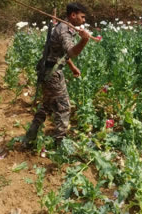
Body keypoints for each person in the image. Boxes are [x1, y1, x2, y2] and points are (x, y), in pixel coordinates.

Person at [23, 2, 91, 148]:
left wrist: (72, 67)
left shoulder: (63, 27)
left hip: (46, 70)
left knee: (46, 106)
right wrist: (84, 40)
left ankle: (29, 139)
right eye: (82, 17)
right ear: (73, 15)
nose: (84, 20)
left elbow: (61, 54)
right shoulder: (64, 30)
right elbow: (71, 52)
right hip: (52, 74)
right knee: (64, 107)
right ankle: (60, 145)